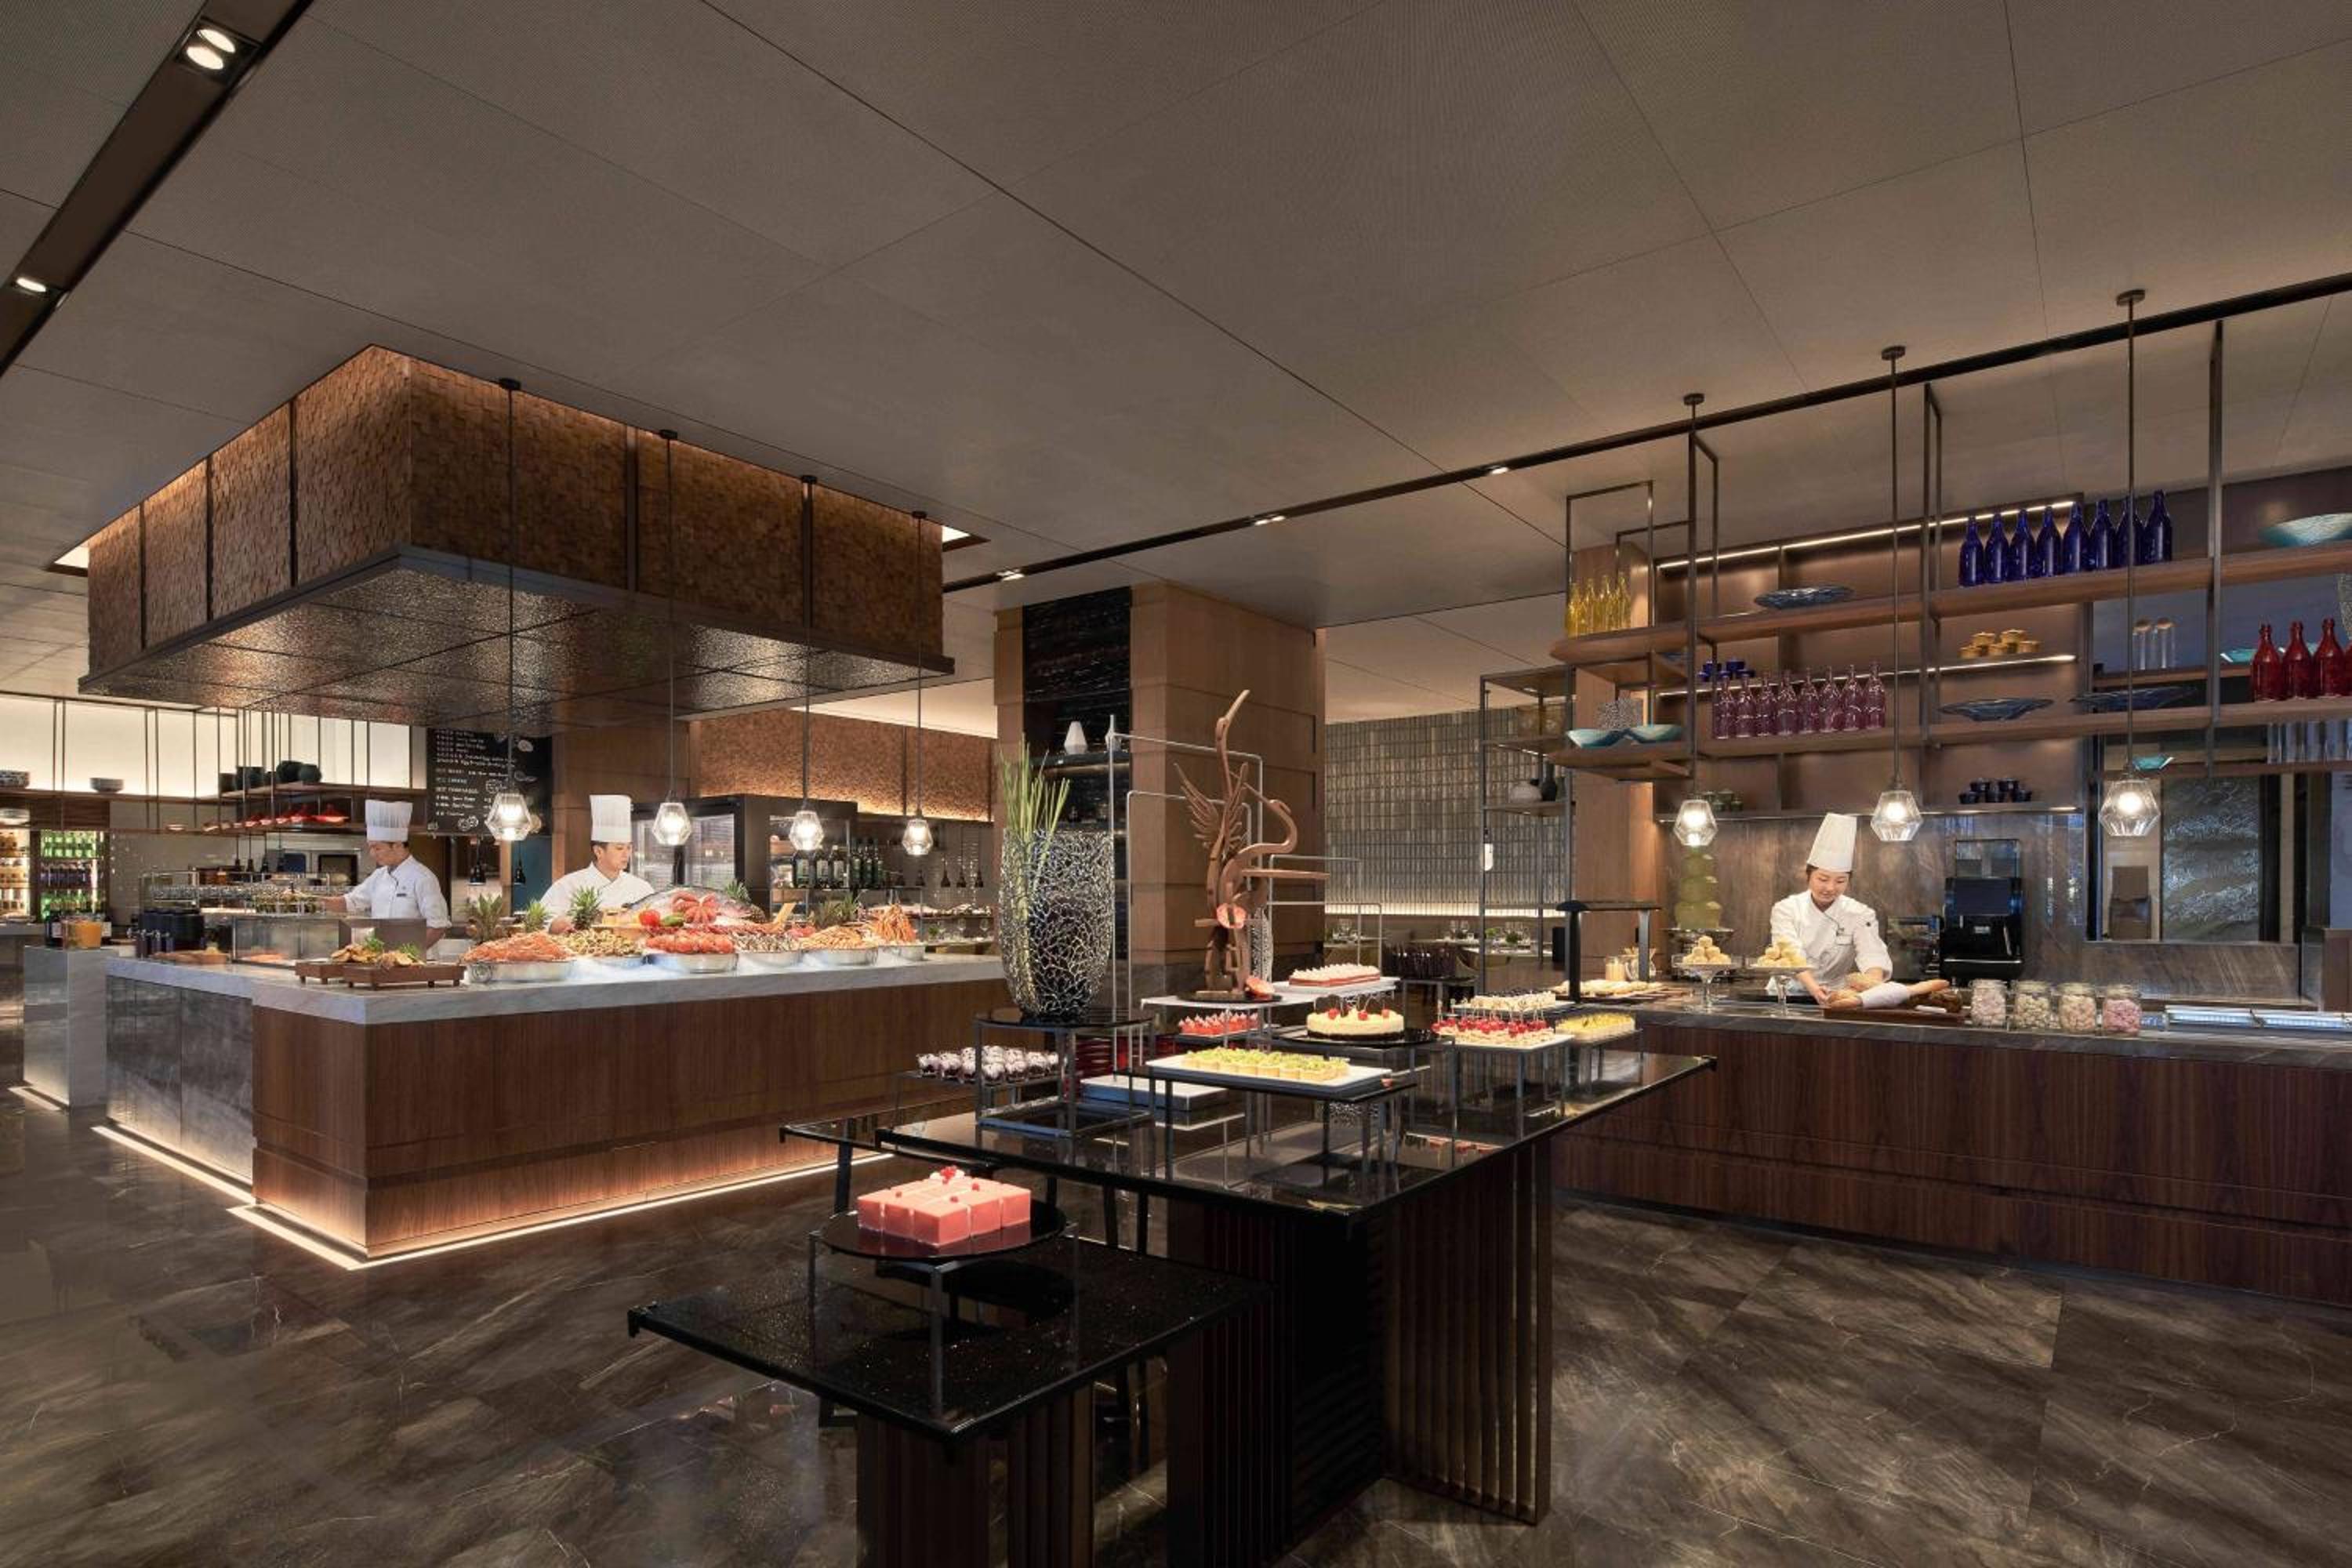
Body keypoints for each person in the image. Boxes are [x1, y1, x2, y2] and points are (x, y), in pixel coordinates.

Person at [1769, 813, 1893, 1006]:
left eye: (1840, 881)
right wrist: (1814, 989)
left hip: (1837, 995)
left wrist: (1872, 987)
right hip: (1788, 993)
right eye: (1823, 879)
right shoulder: (1786, 909)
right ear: (1808, 875)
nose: (1830, 888)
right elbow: (1791, 953)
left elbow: (1872, 954)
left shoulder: (1860, 913)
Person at [336, 799, 450, 940]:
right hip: (383, 952)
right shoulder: (378, 876)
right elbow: (350, 903)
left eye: (377, 848)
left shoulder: (423, 878)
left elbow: (438, 926)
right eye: (371, 848)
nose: (372, 854)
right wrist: (315, 900)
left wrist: (412, 952)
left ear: (398, 846)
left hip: (414, 953)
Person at [546, 795, 652, 931]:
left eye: (629, 848)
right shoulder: (569, 885)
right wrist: (564, 924)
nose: (626, 854)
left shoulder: (642, 888)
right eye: (619, 848)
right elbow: (543, 922)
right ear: (598, 851)